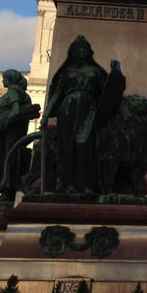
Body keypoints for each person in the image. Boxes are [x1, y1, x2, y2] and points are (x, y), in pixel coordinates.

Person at [42, 36, 110, 193]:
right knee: (66, 146)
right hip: (68, 108)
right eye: (78, 49)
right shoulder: (67, 72)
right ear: (72, 52)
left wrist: (116, 75)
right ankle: (67, 184)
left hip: (89, 109)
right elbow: (58, 94)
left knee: (85, 144)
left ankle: (87, 184)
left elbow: (106, 92)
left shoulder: (95, 71)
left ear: (89, 52)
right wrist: (46, 115)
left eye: (84, 49)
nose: (81, 51)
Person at [0, 69, 40, 201]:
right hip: (10, 134)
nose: (2, 80)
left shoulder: (14, 93)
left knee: (1, 161)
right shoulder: (22, 94)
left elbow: (16, 112)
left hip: (7, 134)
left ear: (10, 79)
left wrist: (0, 126)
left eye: (4, 78)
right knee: (6, 160)